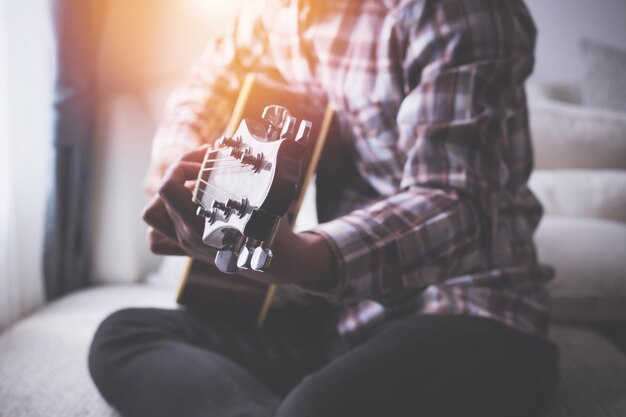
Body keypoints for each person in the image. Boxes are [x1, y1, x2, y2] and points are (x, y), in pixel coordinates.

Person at [88, 0, 559, 416]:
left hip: (471, 311)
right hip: (343, 315)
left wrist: (307, 256)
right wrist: (178, 168)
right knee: (121, 336)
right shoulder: (277, 12)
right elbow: (205, 85)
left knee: (314, 409)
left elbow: (455, 204)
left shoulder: (453, 10)